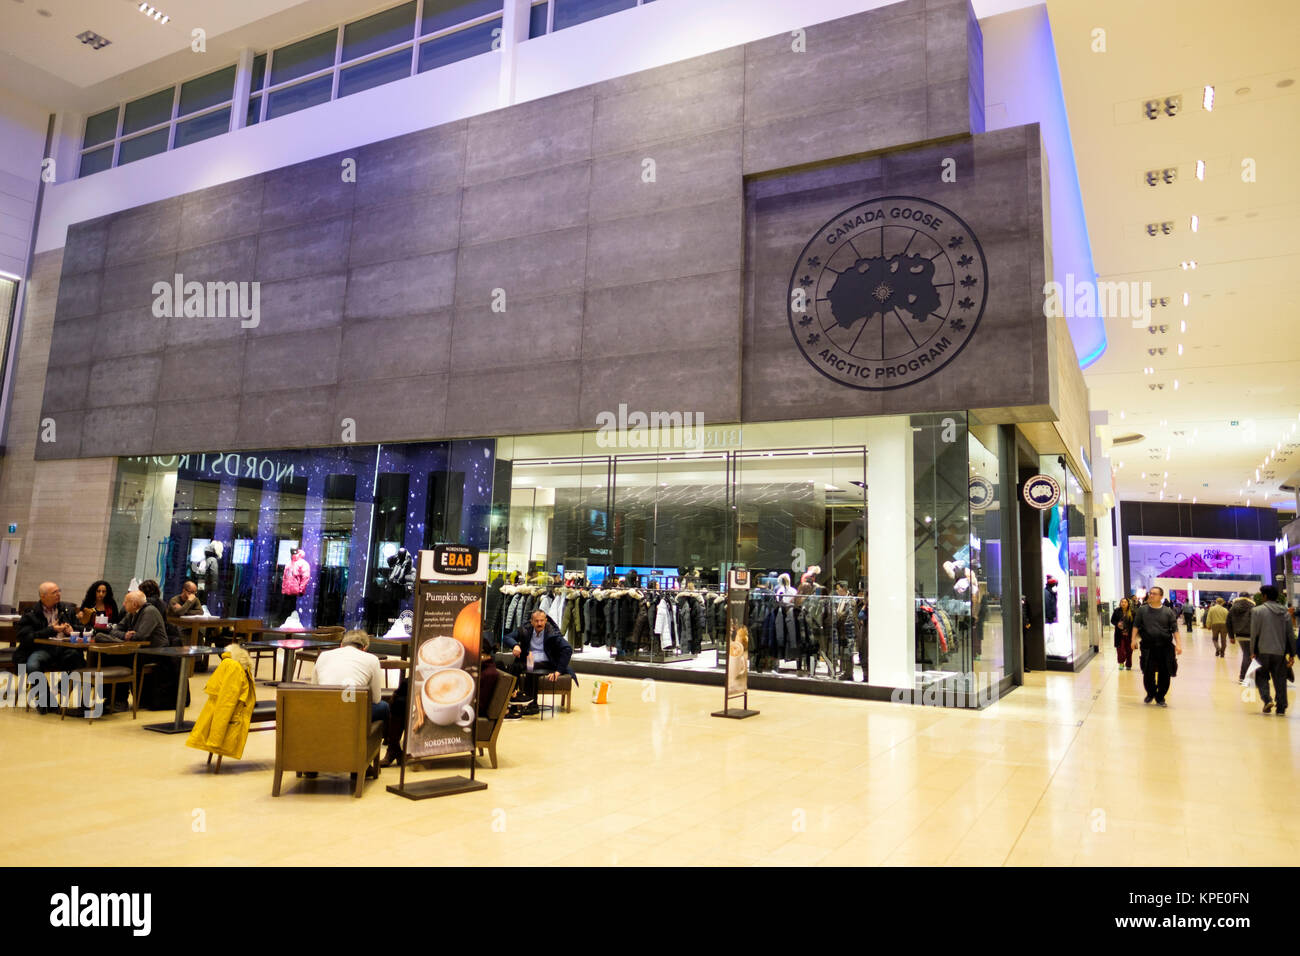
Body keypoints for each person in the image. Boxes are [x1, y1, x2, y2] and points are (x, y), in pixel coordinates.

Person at [310, 630, 395, 769]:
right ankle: (368, 757)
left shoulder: (323, 656)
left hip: (324, 712)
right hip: (353, 714)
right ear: (365, 648)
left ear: (341, 644)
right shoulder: (371, 659)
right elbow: (376, 698)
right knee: (384, 707)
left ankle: (316, 760)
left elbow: (313, 689)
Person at [15, 582, 83, 713]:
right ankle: (46, 701)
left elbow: (79, 627)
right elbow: (25, 637)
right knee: (32, 665)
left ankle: (58, 688)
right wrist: (50, 630)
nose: (59, 594)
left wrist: (72, 630)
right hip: (41, 649)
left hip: (64, 648)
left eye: (59, 591)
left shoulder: (66, 609)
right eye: (54, 592)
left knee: (81, 663)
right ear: (43, 596)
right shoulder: (31, 613)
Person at [503, 609, 575, 717]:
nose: (539, 623)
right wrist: (515, 645)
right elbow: (507, 637)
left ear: (546, 620)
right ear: (531, 621)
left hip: (547, 662)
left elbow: (567, 649)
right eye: (536, 621)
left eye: (542, 621)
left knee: (531, 670)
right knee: (514, 667)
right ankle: (511, 700)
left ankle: (532, 705)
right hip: (528, 659)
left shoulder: (552, 633)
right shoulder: (525, 629)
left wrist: (559, 670)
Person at [1250, 584, 1297, 715]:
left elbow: (1254, 633)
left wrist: (1252, 651)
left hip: (1262, 650)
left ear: (1265, 596)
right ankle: (1281, 706)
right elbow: (1290, 634)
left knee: (1261, 675)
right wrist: (1292, 653)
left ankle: (1267, 700)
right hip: (1280, 652)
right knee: (1280, 679)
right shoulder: (1285, 613)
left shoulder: (1257, 611)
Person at [1133, 585, 1181, 706]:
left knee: (1165, 672)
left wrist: (1178, 644)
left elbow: (1175, 629)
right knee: (1148, 671)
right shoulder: (1142, 610)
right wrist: (1132, 640)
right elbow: (1136, 626)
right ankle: (1151, 693)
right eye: (1151, 593)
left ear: (1161, 596)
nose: (1151, 595)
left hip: (1165, 646)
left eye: (1154, 593)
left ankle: (1160, 697)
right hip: (1148, 646)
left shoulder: (1168, 611)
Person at [1226, 591, 1257, 682]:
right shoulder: (1253, 607)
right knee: (1248, 655)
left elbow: (1228, 622)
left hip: (1239, 635)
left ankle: (1247, 676)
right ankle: (1243, 677)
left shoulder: (1233, 607)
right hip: (1250, 634)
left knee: (1246, 654)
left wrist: (1231, 636)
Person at [280, 547, 310, 622]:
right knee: (287, 611)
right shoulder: (289, 563)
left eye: (294, 551)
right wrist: (284, 589)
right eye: (292, 551)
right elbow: (285, 577)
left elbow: (305, 577)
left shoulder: (302, 563)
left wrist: (301, 589)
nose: (293, 553)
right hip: (288, 592)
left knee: (294, 612)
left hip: (296, 592)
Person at [1111, 597, 1134, 670]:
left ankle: (1128, 664)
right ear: (1120, 603)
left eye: (1125, 602)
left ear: (1128, 604)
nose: (1123, 603)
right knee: (1120, 650)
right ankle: (1121, 663)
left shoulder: (1132, 612)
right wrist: (1117, 624)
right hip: (1119, 635)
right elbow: (1112, 620)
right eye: (1122, 602)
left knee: (1129, 650)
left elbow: (1134, 624)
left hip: (1129, 635)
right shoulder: (1117, 611)